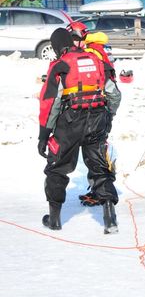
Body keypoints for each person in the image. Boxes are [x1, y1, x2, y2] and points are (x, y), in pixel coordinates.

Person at [38, 28, 122, 234]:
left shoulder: (60, 65)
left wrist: (44, 134)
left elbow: (50, 102)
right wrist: (108, 117)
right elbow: (114, 94)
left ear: (57, 47)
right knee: (100, 166)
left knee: (57, 168)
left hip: (70, 122)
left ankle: (54, 219)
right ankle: (110, 219)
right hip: (97, 119)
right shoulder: (96, 60)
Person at [66, 21, 119, 207]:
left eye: (73, 39)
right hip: (97, 111)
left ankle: (104, 194)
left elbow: (112, 91)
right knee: (94, 154)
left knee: (96, 155)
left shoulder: (91, 55)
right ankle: (99, 191)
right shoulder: (94, 51)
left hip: (96, 111)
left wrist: (109, 114)